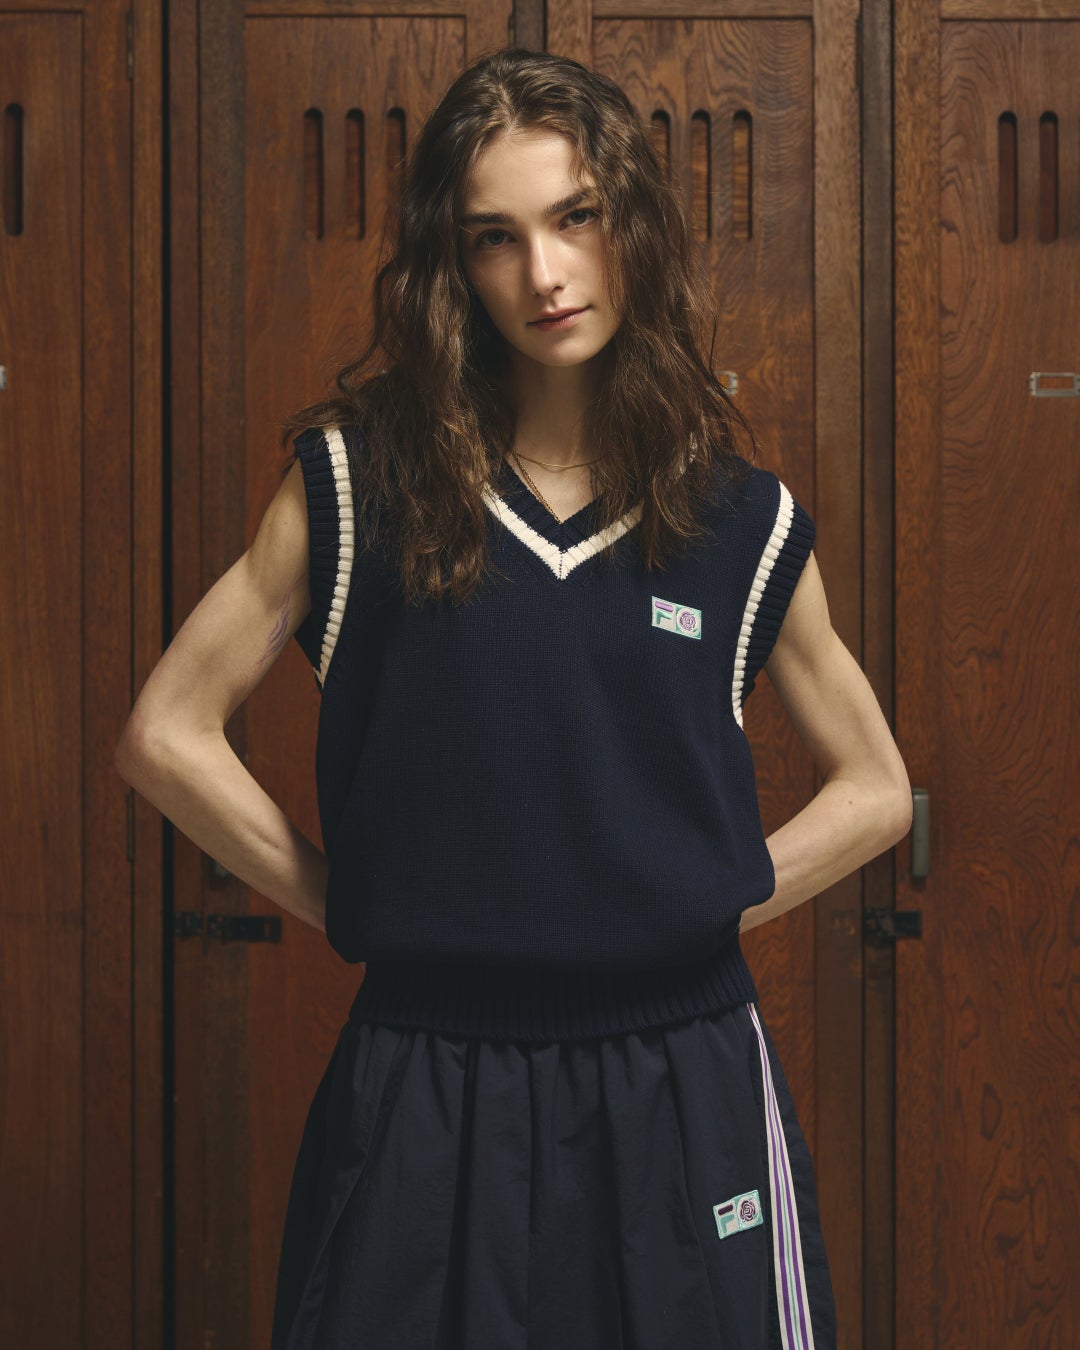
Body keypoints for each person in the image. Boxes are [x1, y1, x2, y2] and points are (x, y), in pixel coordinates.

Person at [116, 46, 911, 1350]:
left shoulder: (734, 514)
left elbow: (878, 787)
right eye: (497, 236)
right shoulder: (356, 485)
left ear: (631, 224)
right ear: (454, 263)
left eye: (576, 217)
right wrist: (349, 898)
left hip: (682, 1070)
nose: (544, 272)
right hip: (428, 1067)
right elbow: (164, 734)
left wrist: (696, 895)